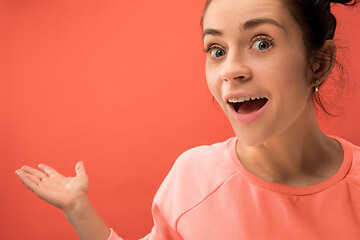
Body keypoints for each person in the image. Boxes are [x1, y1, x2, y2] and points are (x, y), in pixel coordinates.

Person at [15, 0, 360, 239]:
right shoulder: (194, 177)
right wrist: (78, 209)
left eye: (262, 43)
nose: (230, 70)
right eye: (217, 50)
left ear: (319, 62)